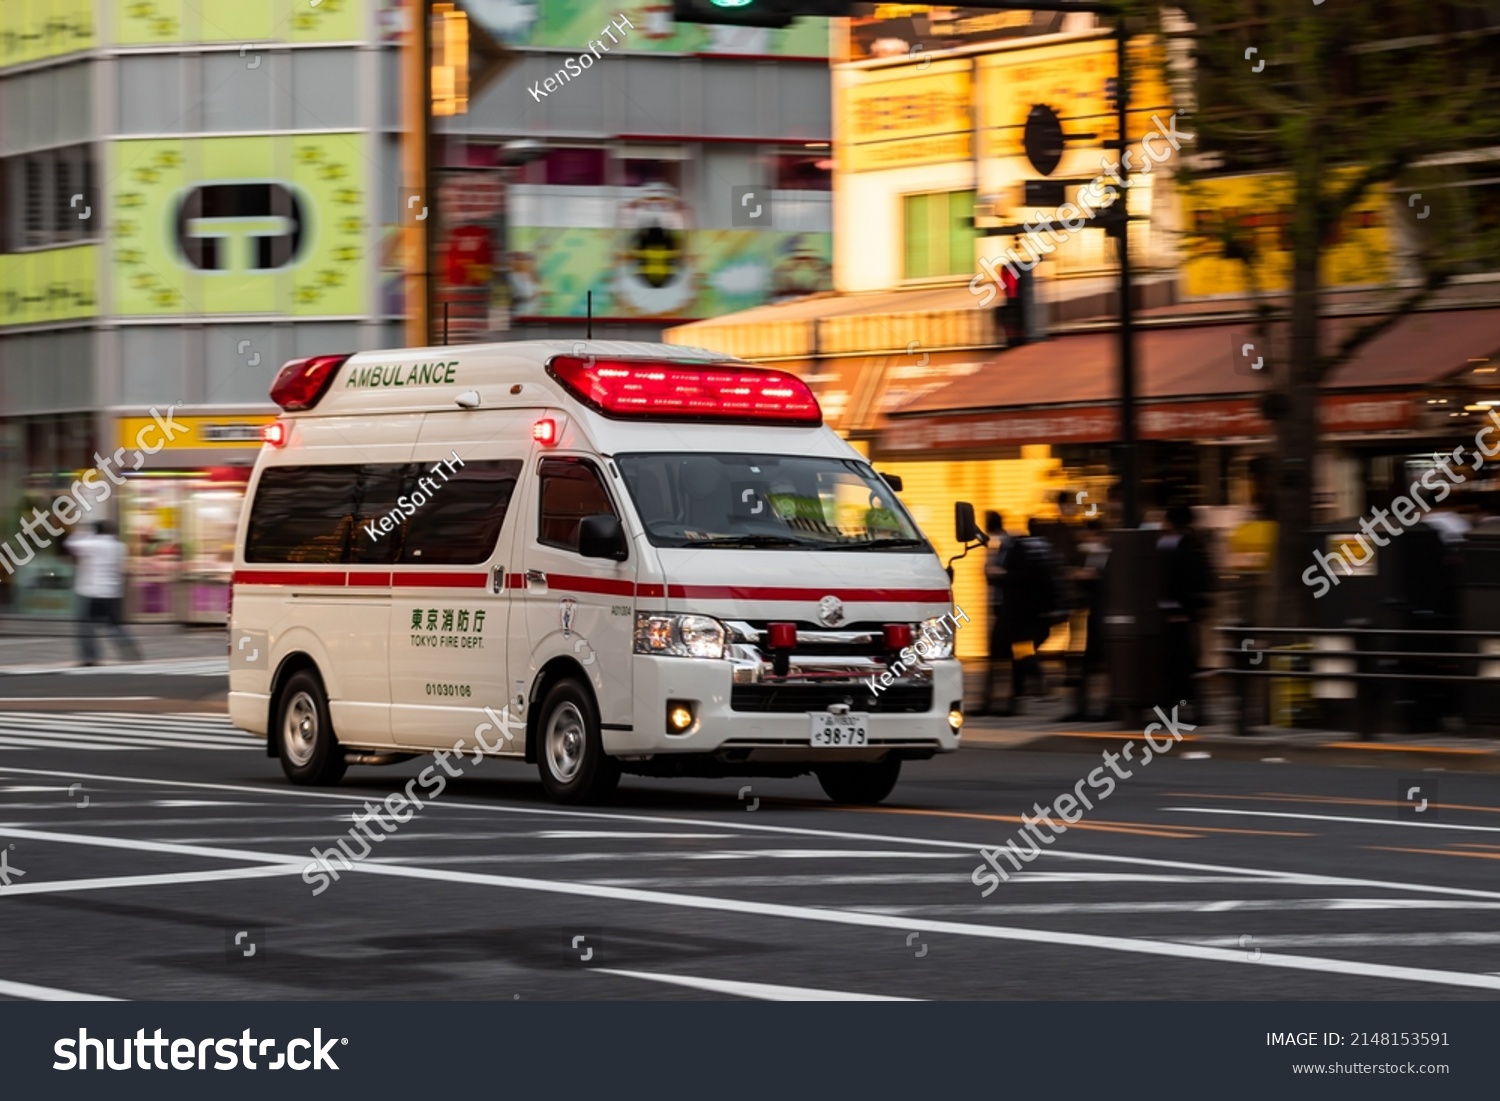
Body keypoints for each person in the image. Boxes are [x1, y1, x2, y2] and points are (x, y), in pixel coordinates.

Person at [1156, 504, 1210, 720]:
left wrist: (1172, 607)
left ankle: (1174, 709)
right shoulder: (1195, 544)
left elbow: (1166, 580)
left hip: (1173, 613)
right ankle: (1194, 709)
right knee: (1190, 662)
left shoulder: (1168, 545)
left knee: (1174, 664)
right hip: (1191, 613)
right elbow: (1202, 578)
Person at [68, 521, 142, 667]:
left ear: (96, 531)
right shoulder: (120, 547)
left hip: (91, 592)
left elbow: (71, 543)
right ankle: (130, 649)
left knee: (85, 627)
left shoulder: (93, 544)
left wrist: (83, 532)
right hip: (112, 592)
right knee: (115, 625)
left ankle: (90, 657)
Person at [1059, 519, 1109, 722]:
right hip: (1087, 614)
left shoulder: (1107, 555)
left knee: (1097, 664)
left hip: (1101, 616)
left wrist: (1091, 577)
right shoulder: (1087, 555)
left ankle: (1101, 706)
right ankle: (1083, 707)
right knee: (1085, 664)